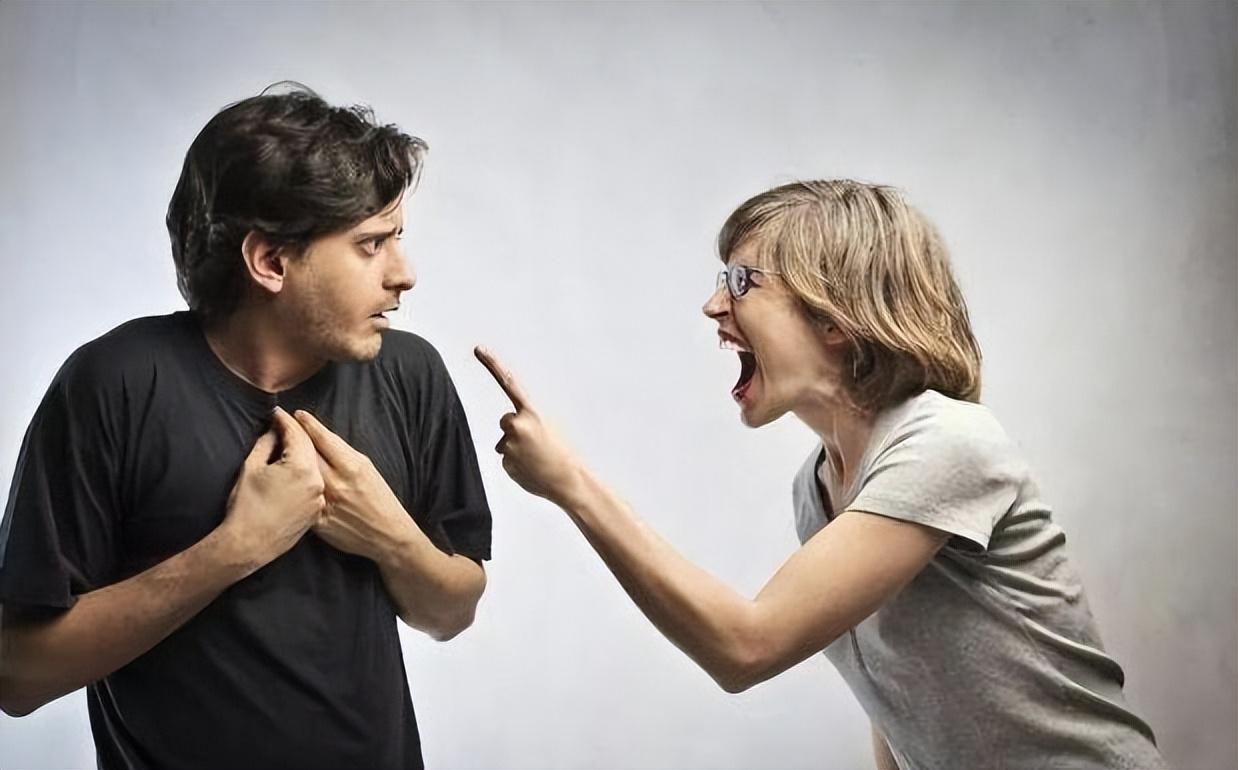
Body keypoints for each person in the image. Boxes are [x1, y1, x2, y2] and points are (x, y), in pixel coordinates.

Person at [475, 180, 1166, 769]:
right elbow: (895, 697)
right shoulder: (819, 489)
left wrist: (571, 484)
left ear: (833, 317)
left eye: (741, 281)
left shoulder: (946, 442)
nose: (714, 305)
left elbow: (746, 647)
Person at [0, 86, 492, 770]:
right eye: (371, 245)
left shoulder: (411, 373)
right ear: (270, 262)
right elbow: (17, 675)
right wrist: (234, 549)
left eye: (397, 239)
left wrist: (391, 538)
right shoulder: (114, 385)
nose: (403, 275)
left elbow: (453, 612)